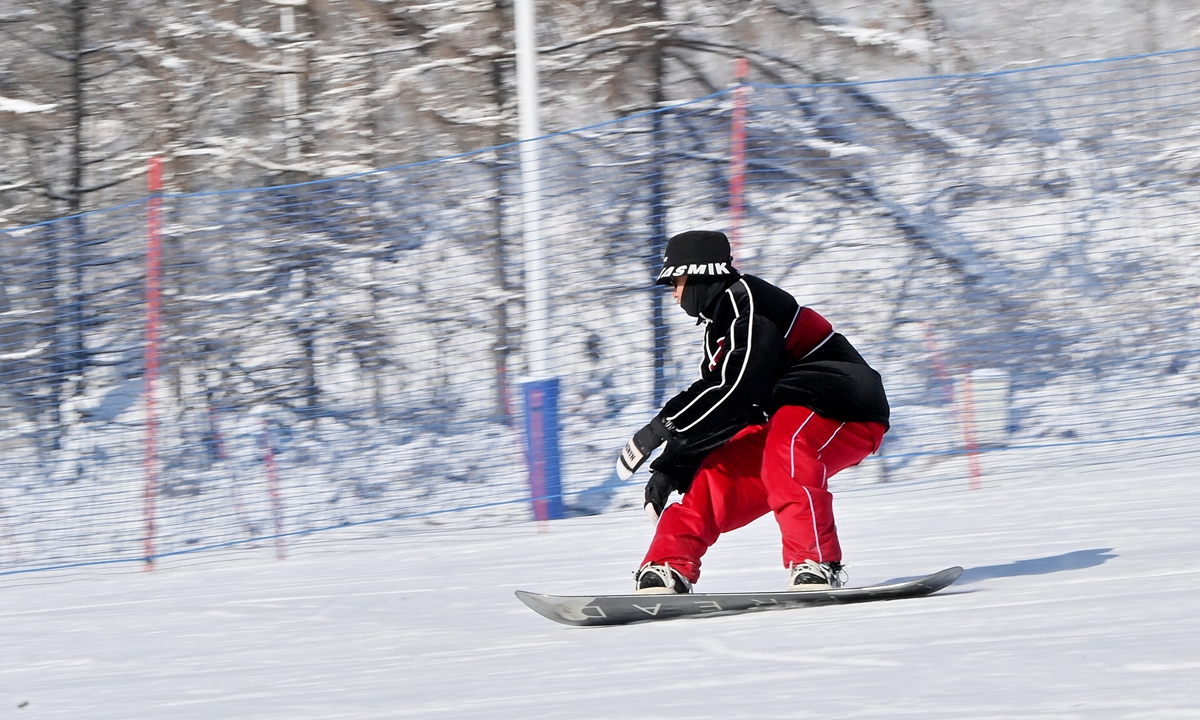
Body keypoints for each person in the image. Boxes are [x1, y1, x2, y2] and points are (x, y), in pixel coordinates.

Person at [615, 230, 890, 594]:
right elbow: (722, 409)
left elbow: (736, 388)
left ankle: (814, 563)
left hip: (841, 402)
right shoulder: (720, 327)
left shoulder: (751, 305)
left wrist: (658, 429)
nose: (675, 293)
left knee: (787, 448)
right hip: (783, 415)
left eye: (677, 281)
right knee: (716, 476)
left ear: (698, 274)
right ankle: (667, 566)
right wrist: (671, 468)